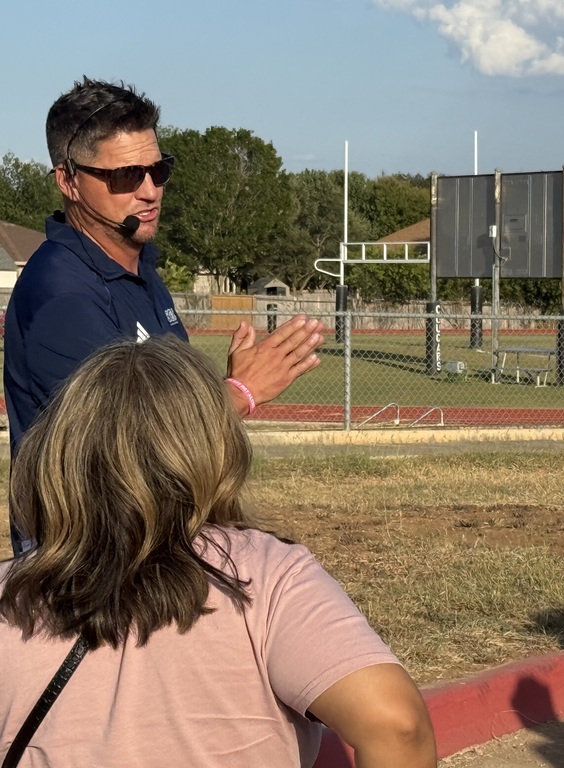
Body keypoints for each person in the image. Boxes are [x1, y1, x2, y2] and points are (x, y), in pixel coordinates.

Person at [0, 337, 436, 767]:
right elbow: (397, 726)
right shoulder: (266, 574)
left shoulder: (10, 594)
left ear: (58, 452)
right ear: (215, 449)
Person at [3, 76, 325, 555]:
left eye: (159, 170)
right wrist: (237, 394)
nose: (150, 191)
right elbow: (122, 449)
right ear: (68, 180)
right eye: (126, 176)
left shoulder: (141, 273)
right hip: (84, 573)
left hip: (151, 550)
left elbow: (161, 408)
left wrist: (213, 388)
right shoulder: (62, 296)